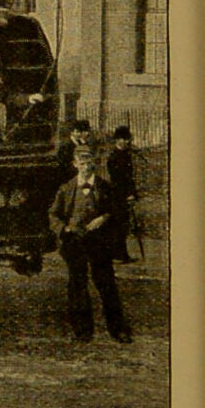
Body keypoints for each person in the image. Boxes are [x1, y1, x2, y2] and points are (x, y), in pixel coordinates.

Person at [49, 144, 132, 343]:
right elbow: (53, 214)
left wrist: (103, 218)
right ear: (75, 165)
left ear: (95, 164)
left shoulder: (105, 187)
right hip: (75, 242)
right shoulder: (66, 188)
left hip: (99, 242)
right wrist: (64, 229)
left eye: (90, 163)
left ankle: (118, 330)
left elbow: (118, 212)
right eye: (83, 163)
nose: (87, 167)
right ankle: (82, 332)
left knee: (106, 284)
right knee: (77, 285)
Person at [107, 125, 138, 263]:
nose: (127, 142)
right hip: (118, 195)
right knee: (118, 225)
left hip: (125, 194)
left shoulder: (126, 155)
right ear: (117, 140)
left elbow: (130, 178)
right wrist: (127, 195)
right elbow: (119, 180)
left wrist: (132, 193)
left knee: (123, 225)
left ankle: (122, 254)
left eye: (127, 139)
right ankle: (117, 254)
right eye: (124, 139)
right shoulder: (114, 157)